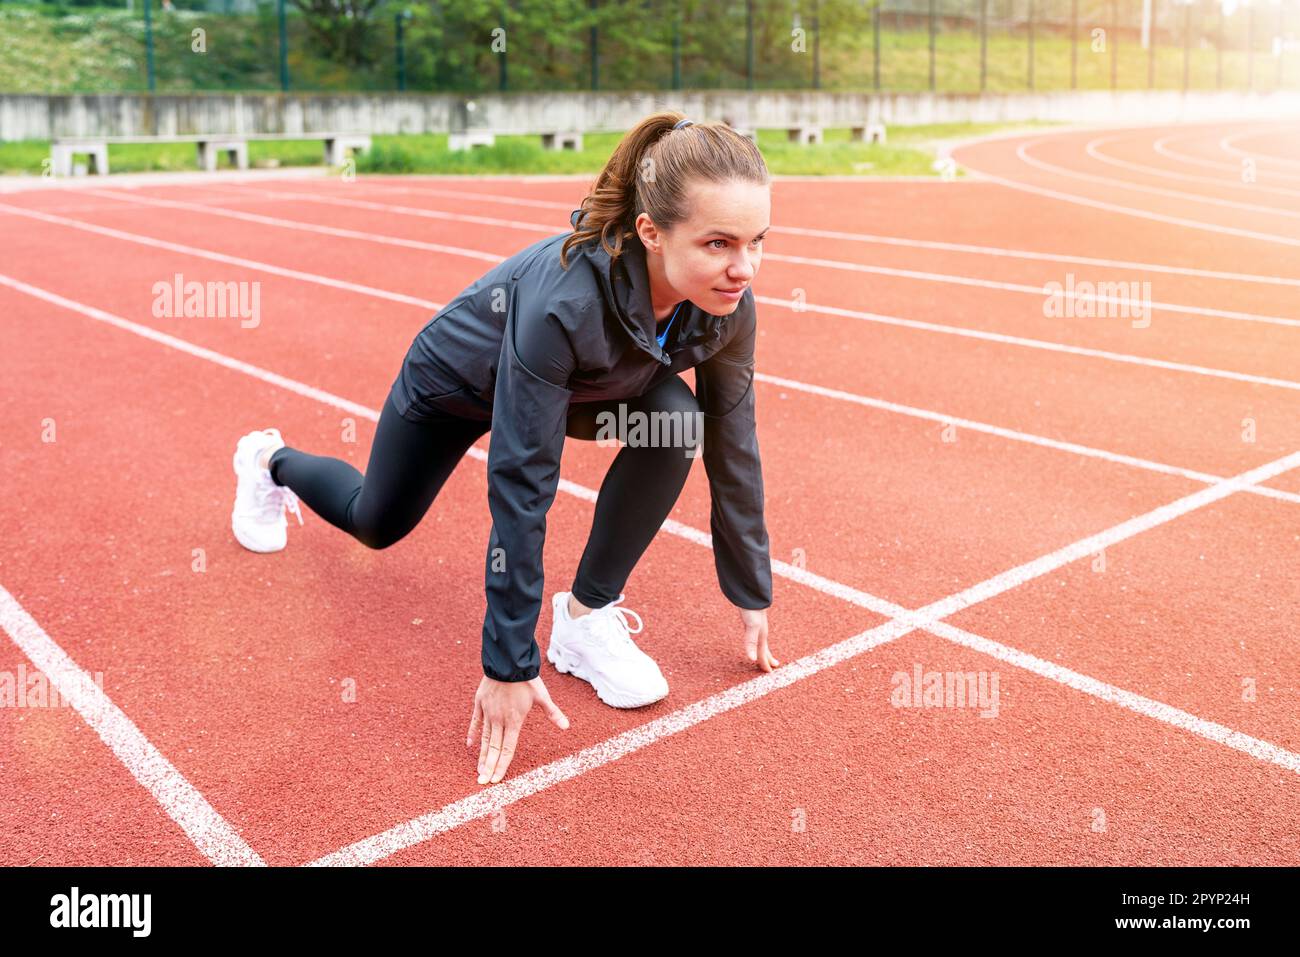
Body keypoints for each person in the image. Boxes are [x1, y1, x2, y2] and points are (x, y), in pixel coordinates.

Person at [229, 111, 779, 786]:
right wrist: (506, 659)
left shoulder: (727, 305)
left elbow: (735, 436)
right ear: (650, 232)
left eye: (757, 241)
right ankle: (268, 460)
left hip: (587, 387)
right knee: (376, 521)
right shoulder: (566, 301)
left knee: (677, 421)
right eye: (719, 242)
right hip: (455, 384)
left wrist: (751, 587)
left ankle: (584, 618)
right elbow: (523, 477)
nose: (743, 267)